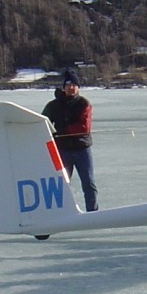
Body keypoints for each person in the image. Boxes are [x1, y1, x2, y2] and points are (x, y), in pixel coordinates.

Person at [43, 68, 97, 211]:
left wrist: (62, 131)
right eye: (68, 85)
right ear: (64, 87)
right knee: (61, 184)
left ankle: (92, 212)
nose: (71, 88)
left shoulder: (84, 104)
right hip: (62, 150)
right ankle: (61, 213)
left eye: (74, 85)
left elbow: (84, 127)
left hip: (82, 149)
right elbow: (43, 122)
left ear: (78, 87)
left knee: (89, 183)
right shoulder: (53, 105)